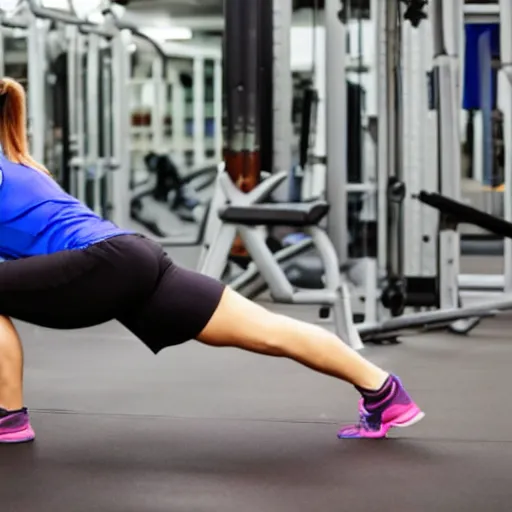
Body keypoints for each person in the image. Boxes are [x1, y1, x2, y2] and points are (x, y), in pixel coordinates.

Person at [0, 78, 424, 444]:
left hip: (104, 262)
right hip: (135, 256)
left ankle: (9, 417)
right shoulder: (16, 161)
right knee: (270, 331)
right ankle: (384, 392)